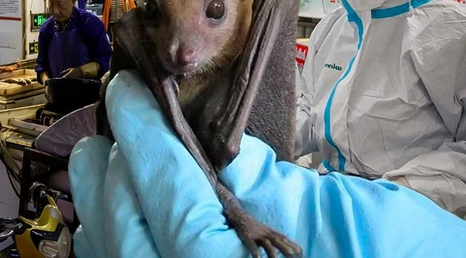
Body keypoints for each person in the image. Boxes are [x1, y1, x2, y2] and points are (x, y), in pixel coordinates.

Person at [68, 70, 466, 258]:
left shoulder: (438, 34)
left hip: (395, 204)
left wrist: (388, 208)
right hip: (326, 189)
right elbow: (312, 113)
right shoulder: (333, 27)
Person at [298, 0, 466, 216]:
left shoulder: (447, 32)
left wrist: (387, 197)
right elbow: (308, 115)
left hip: (411, 218)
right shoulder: (330, 29)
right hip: (335, 203)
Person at [35, 0, 111, 85]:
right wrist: (47, 82)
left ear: (73, 1)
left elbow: (104, 61)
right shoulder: (46, 29)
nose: (55, 11)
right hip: (57, 96)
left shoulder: (90, 23)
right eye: (52, 4)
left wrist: (80, 71)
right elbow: (41, 65)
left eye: (60, 5)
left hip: (88, 95)